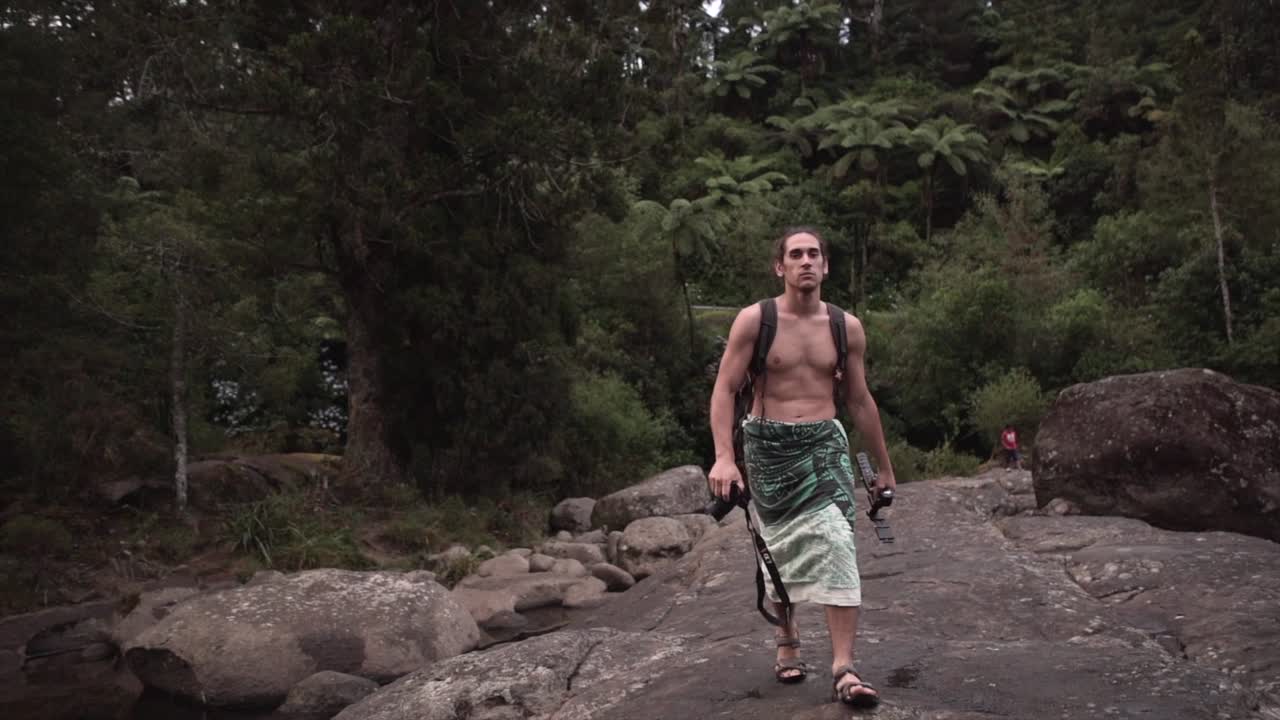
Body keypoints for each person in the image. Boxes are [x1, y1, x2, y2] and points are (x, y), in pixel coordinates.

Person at [707, 227, 897, 709]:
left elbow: (858, 399)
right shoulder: (756, 320)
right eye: (796, 254)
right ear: (780, 266)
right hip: (768, 445)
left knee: (837, 539)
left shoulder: (845, 326)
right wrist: (725, 457)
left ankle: (844, 668)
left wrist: (884, 469)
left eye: (814, 254)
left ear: (826, 266)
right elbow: (725, 388)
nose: (806, 261)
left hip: (824, 445)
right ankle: (787, 635)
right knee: (779, 547)